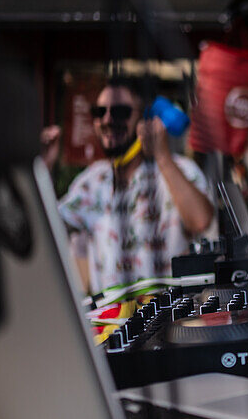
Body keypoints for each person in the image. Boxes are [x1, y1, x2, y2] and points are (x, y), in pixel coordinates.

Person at [41, 78, 214, 294]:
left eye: (120, 112)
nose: (107, 120)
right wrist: (42, 169)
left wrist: (161, 155)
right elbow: (46, 230)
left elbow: (200, 220)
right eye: (99, 111)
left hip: (170, 322)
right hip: (111, 325)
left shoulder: (180, 169)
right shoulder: (92, 181)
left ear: (146, 119)